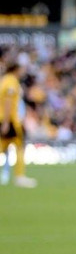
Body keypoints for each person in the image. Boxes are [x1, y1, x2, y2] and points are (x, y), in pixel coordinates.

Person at [0, 58, 35, 188]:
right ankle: (20, 177)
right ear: (16, 69)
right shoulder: (11, 82)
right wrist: (6, 122)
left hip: (4, 119)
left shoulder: (4, 80)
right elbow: (8, 102)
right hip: (10, 120)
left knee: (3, 146)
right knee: (20, 147)